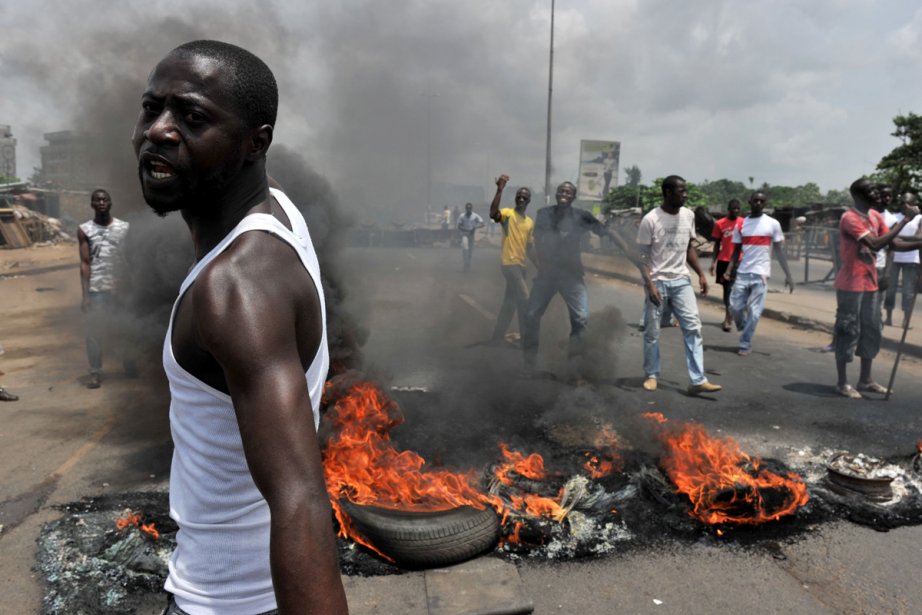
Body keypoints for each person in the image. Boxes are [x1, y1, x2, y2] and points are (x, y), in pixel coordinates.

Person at [133, 40, 347, 613]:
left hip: (225, 603)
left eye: (192, 117)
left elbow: (300, 497)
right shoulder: (278, 210)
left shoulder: (236, 287)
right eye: (152, 108)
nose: (160, 130)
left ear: (257, 142)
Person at [522, 181, 639, 379]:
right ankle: (529, 364)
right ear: (556, 194)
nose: (563, 194)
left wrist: (627, 249)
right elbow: (537, 241)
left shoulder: (581, 216)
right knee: (532, 316)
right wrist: (542, 266)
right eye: (560, 191)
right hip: (548, 275)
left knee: (580, 319)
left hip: (572, 276)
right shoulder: (544, 214)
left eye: (568, 192)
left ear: (573, 196)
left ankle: (573, 367)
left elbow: (606, 231)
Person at [833, 178, 921, 399]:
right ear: (860, 195)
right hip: (851, 284)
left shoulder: (874, 216)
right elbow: (875, 244)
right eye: (871, 189)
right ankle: (842, 382)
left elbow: (895, 243)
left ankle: (865, 379)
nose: (877, 193)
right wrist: (906, 220)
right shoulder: (850, 218)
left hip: (870, 283)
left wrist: (920, 242)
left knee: (872, 329)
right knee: (848, 330)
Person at [636, 176, 722, 395]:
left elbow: (689, 247)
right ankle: (652, 374)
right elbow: (642, 256)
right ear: (667, 192)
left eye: (686, 191)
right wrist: (650, 284)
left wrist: (701, 274)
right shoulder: (650, 219)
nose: (685, 195)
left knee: (693, 327)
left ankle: (697, 380)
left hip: (682, 281)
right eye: (681, 191)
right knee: (653, 331)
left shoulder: (688, 215)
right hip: (658, 281)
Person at [725, 192, 795, 356]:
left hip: (761, 274)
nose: (758, 203)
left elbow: (779, 251)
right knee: (734, 307)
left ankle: (745, 343)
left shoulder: (772, 224)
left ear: (764, 204)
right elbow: (735, 251)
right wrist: (729, 270)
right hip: (743, 272)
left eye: (761, 201)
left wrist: (789, 275)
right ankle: (743, 326)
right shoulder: (741, 224)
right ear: (749, 202)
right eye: (755, 200)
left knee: (755, 312)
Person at [77, 189, 132, 389]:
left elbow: (129, 258)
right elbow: (84, 263)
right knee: (94, 331)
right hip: (97, 289)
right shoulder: (84, 229)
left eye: (105, 200)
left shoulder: (124, 228)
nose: (101, 203)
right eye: (97, 200)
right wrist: (85, 296)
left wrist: (131, 283)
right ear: (92, 204)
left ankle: (129, 363)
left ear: (110, 203)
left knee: (127, 327)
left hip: (120, 288)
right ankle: (95, 372)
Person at [488, 174, 535, 344]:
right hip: (509, 264)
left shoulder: (529, 222)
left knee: (509, 303)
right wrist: (499, 190)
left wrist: (542, 267)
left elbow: (529, 247)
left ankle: (496, 338)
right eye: (519, 197)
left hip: (521, 267)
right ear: (515, 199)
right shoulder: (508, 214)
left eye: (524, 197)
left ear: (529, 201)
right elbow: (493, 213)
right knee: (525, 298)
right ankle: (526, 339)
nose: (521, 199)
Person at [885, 192, 920, 328]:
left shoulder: (919, 219)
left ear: (913, 204)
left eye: (909, 202)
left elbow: (919, 238)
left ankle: (906, 320)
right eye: (903, 202)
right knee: (890, 288)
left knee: (908, 291)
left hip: (911, 258)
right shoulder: (895, 218)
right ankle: (888, 318)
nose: (906, 205)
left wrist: (899, 237)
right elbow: (889, 236)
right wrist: (895, 237)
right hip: (894, 257)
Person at [709, 199, 743, 331]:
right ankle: (728, 316)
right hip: (724, 260)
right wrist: (713, 262)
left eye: (737, 209)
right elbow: (717, 244)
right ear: (728, 210)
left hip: (739, 261)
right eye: (732, 209)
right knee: (726, 290)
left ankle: (731, 315)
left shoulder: (743, 223)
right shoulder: (719, 223)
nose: (735, 211)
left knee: (736, 290)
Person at [457, 202, 484, 271]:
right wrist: (465, 229)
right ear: (465, 209)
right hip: (465, 234)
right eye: (467, 208)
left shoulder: (475, 216)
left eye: (470, 208)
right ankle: (465, 263)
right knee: (465, 248)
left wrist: (475, 227)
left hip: (471, 235)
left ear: (471, 209)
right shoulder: (462, 216)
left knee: (470, 251)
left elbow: (482, 224)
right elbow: (459, 226)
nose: (468, 209)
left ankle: (468, 262)